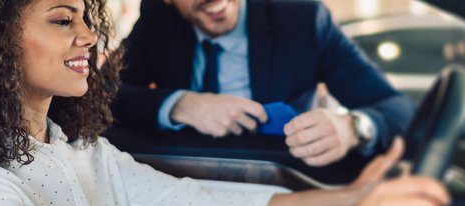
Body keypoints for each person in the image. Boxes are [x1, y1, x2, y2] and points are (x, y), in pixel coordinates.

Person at [0, 0, 448, 206]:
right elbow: (131, 96)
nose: (91, 39)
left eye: (84, 18)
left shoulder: (74, 148)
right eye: (63, 20)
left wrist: (348, 199)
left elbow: (193, 198)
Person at [113, 0, 416, 167]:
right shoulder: (158, 20)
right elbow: (103, 94)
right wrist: (179, 105)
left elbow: (398, 110)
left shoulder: (302, 19)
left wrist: (353, 128)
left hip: (284, 180)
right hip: (179, 179)